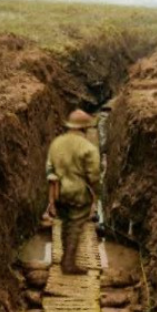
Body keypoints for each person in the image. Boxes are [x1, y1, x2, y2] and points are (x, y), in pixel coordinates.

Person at [45, 109, 101, 275]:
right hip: (78, 194)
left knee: (64, 223)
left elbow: (50, 168)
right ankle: (68, 262)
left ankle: (64, 257)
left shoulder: (56, 143)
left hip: (59, 192)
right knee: (75, 225)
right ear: (85, 128)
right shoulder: (89, 148)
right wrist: (95, 195)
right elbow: (94, 175)